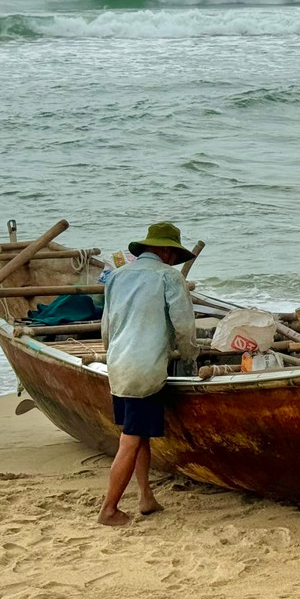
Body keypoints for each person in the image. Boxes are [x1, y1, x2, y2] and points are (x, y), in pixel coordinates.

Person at [98, 222, 200, 526]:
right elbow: (183, 326)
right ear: (167, 252)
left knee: (136, 434)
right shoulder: (169, 276)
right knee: (130, 439)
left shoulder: (116, 276)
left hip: (118, 366)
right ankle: (109, 509)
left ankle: (146, 497)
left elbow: (106, 327)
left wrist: (113, 355)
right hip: (145, 370)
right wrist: (190, 356)